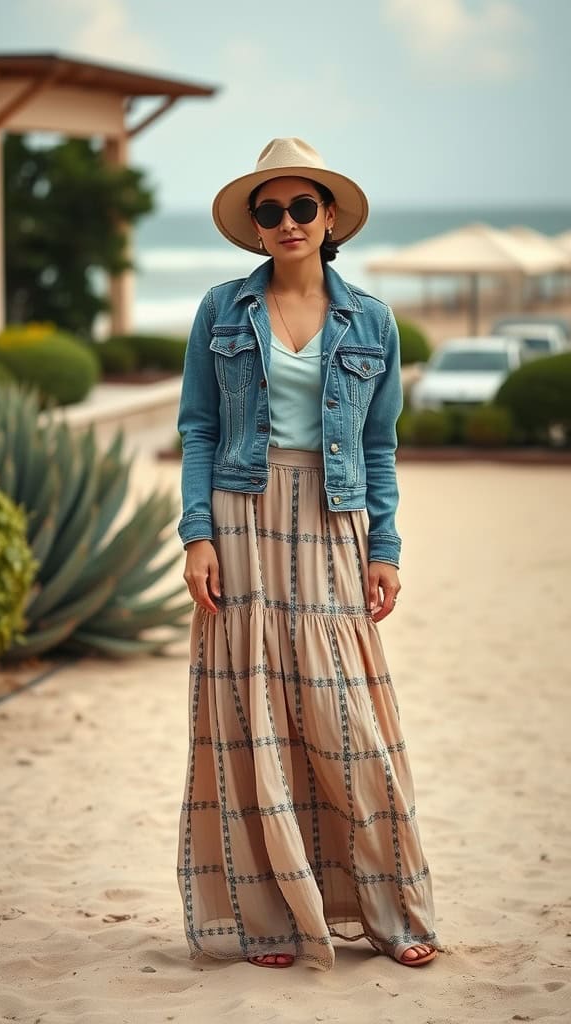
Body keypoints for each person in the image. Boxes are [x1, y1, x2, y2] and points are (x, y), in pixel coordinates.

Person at [176, 138, 440, 972]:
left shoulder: (373, 320)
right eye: (270, 210)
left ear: (329, 219)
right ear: (254, 227)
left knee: (348, 723)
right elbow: (198, 428)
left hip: (334, 523)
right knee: (252, 725)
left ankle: (394, 913)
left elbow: (381, 443)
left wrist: (386, 548)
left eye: (302, 207)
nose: (286, 222)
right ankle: (272, 921)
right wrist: (197, 536)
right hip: (241, 516)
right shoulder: (222, 310)